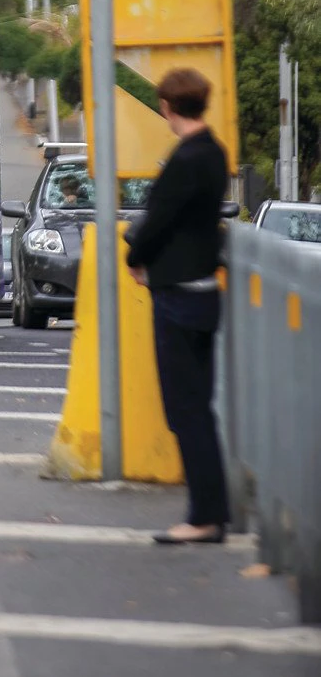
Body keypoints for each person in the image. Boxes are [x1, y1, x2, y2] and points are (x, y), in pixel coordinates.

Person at [125, 66, 230, 546]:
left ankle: (205, 517)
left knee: (185, 409)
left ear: (167, 107)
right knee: (196, 406)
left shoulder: (187, 158)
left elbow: (157, 218)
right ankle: (210, 511)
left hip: (179, 298)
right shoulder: (214, 153)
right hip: (204, 292)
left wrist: (135, 256)